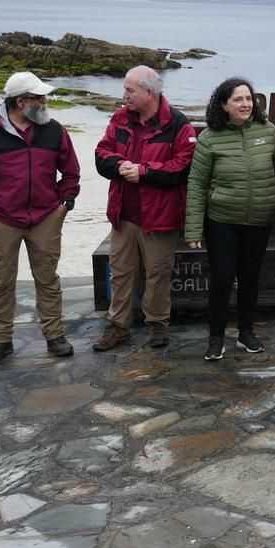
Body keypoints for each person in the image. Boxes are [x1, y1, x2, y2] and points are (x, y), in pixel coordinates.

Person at [0, 71, 80, 365]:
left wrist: (64, 205)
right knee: (2, 283)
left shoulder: (54, 130)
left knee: (48, 279)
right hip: (0, 219)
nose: (45, 101)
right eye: (39, 97)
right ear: (21, 102)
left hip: (46, 217)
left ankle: (55, 336)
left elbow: (71, 172)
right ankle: (0, 341)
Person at [92, 66, 197, 352]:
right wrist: (120, 166)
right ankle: (118, 326)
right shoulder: (120, 119)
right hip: (123, 215)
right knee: (121, 272)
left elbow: (182, 167)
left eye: (129, 90)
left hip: (160, 217)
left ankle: (157, 325)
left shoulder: (177, 124)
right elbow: (102, 153)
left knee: (158, 273)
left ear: (149, 93)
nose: (124, 95)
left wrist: (145, 172)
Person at [185, 77, 275, 360]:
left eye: (249, 98)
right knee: (221, 280)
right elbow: (197, 185)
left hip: (258, 220)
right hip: (222, 222)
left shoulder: (268, 131)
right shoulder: (209, 138)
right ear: (223, 105)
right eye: (238, 100)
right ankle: (216, 338)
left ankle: (246, 332)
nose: (245, 104)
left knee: (250, 279)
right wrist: (193, 229)